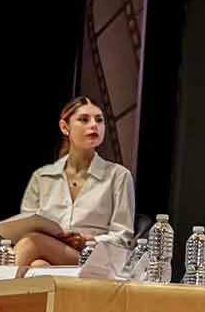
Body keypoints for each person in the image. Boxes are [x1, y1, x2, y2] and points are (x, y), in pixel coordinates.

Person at [14, 96, 135, 267]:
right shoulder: (42, 177)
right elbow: (24, 228)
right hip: (50, 254)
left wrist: (89, 240)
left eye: (99, 120)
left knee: (31, 242)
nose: (94, 125)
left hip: (96, 259)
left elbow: (123, 238)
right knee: (38, 266)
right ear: (65, 127)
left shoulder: (119, 176)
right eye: (84, 119)